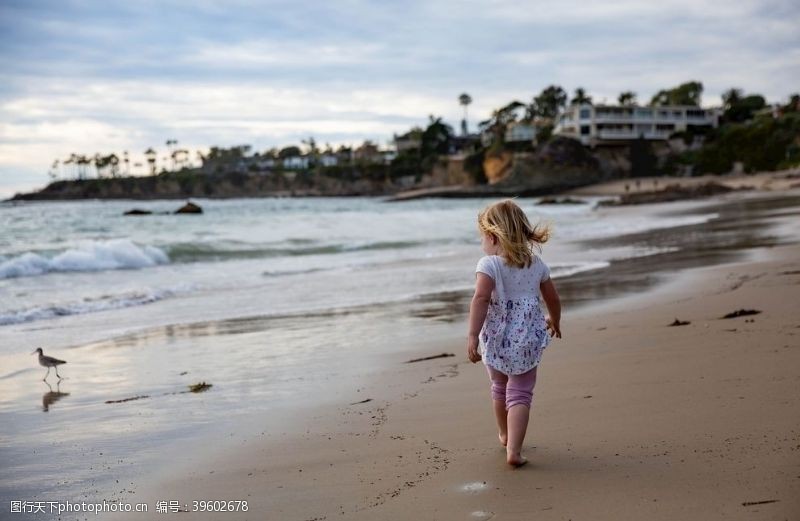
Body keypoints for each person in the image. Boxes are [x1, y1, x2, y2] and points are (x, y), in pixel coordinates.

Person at [466, 199, 562, 468]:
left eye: (482, 237)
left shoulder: (489, 264)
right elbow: (552, 298)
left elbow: (481, 298)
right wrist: (554, 320)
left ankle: (505, 435)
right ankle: (515, 451)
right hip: (526, 339)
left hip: (496, 338)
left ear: (493, 236)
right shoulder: (536, 264)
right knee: (520, 393)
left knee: (499, 386)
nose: (482, 243)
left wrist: (472, 335)